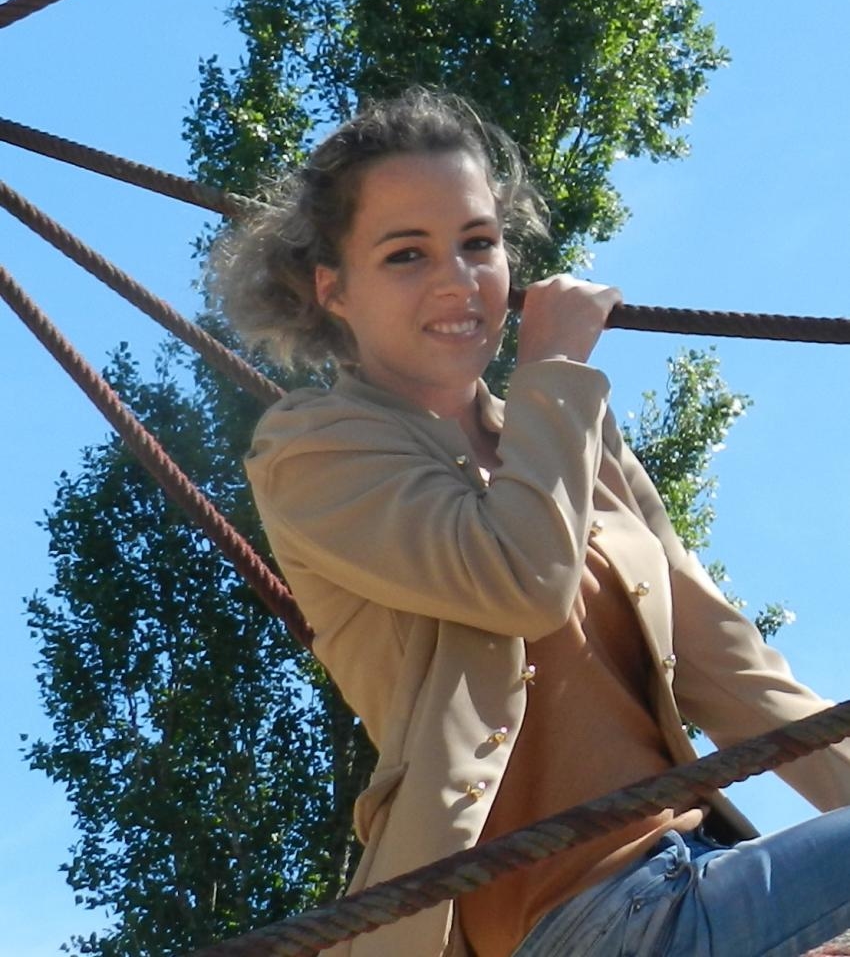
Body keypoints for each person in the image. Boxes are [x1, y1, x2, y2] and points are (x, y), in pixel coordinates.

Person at [210, 88, 850, 957]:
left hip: (703, 871)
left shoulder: (566, 434)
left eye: (479, 243)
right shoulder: (312, 453)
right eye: (407, 254)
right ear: (333, 290)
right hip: (587, 918)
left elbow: (735, 675)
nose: (458, 280)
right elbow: (522, 582)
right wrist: (550, 365)